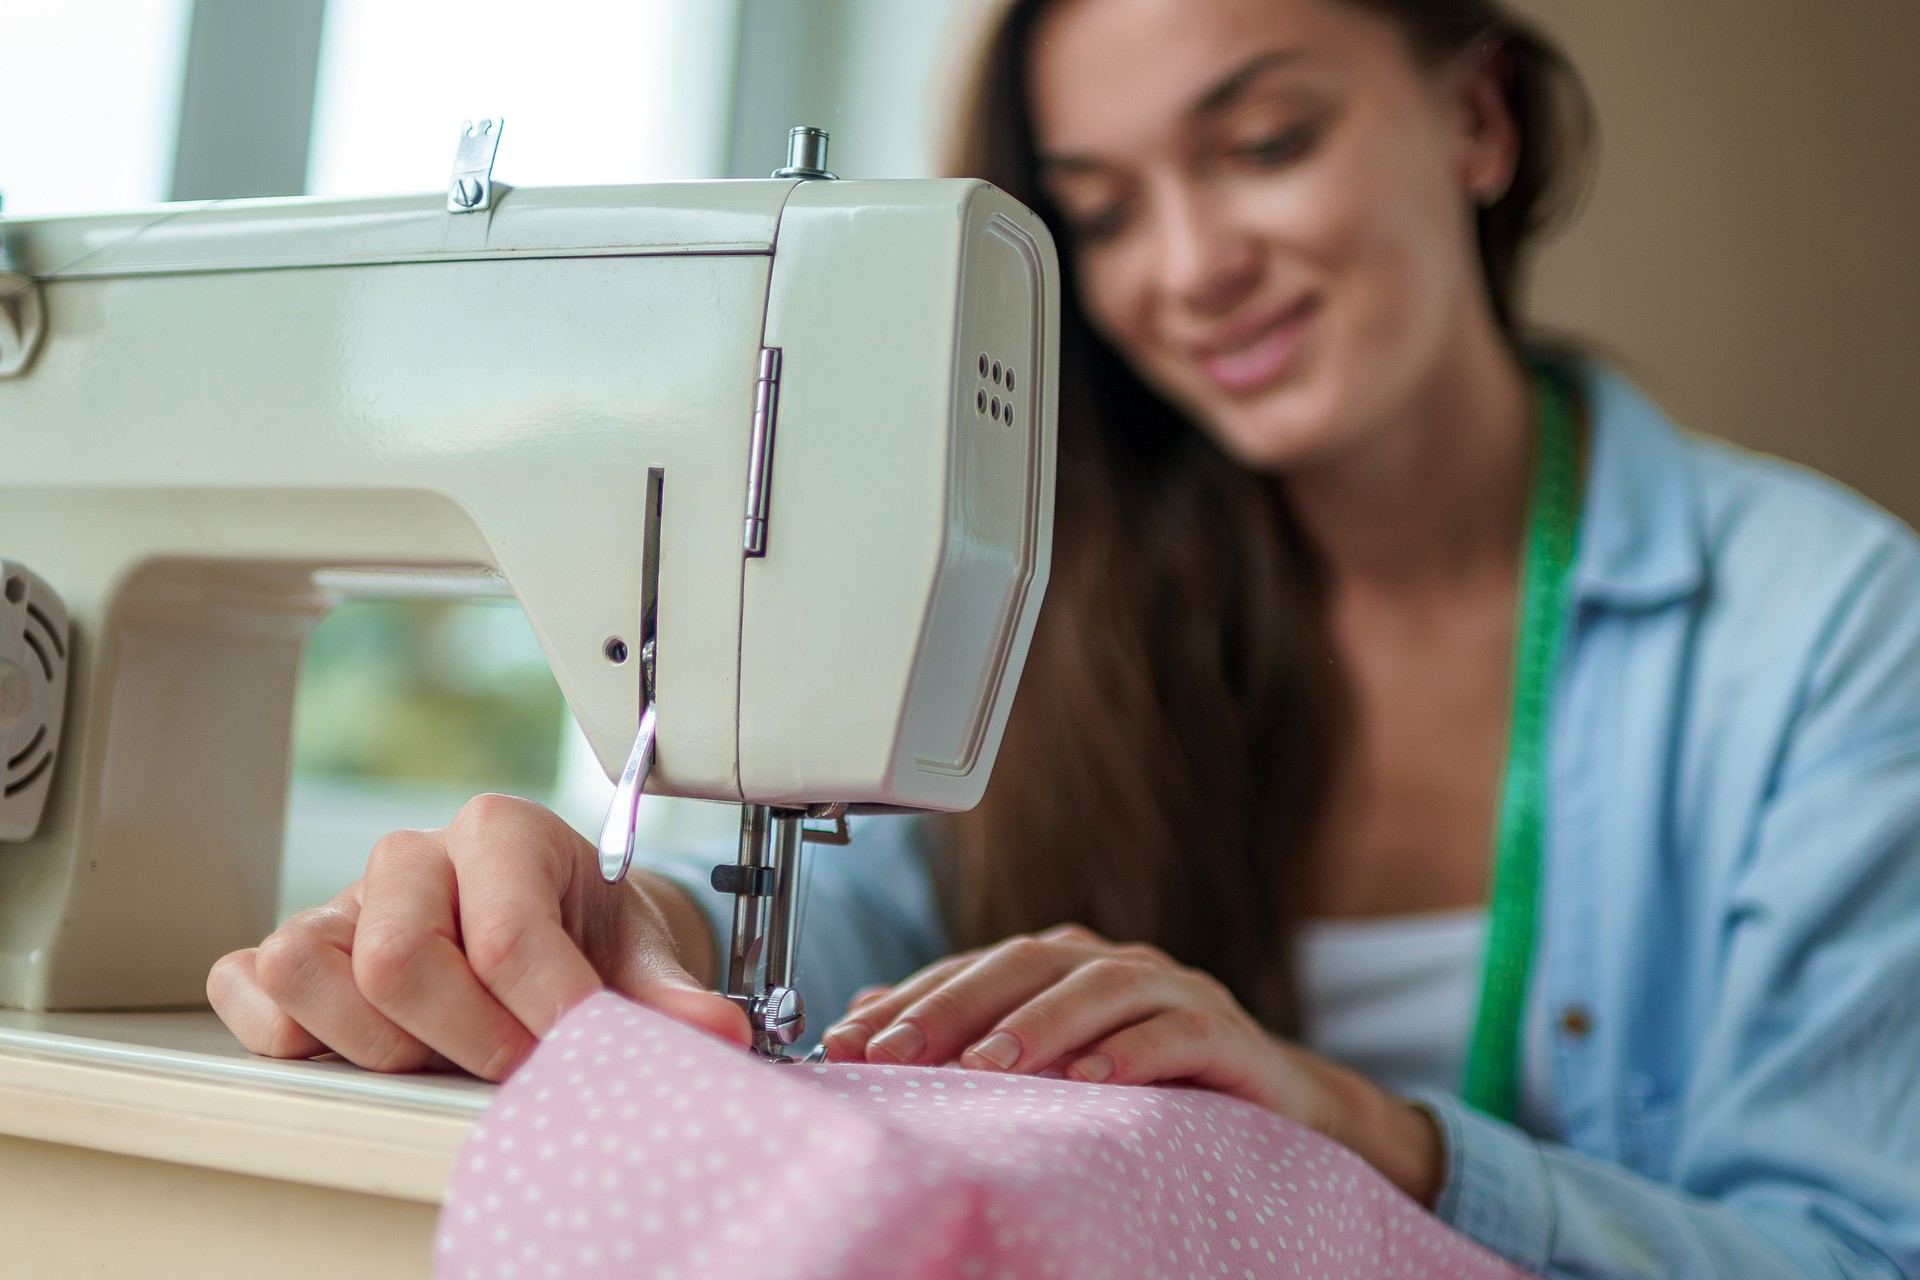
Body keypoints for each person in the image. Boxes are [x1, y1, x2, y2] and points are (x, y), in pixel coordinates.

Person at [209, 0, 1920, 1274]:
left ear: (1477, 118)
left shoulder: (1833, 641)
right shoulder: (1041, 603)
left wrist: (1372, 1134)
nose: (1185, 269)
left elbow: (1857, 1251)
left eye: (1263, 146)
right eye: (1099, 210)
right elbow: (839, 932)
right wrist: (627, 918)